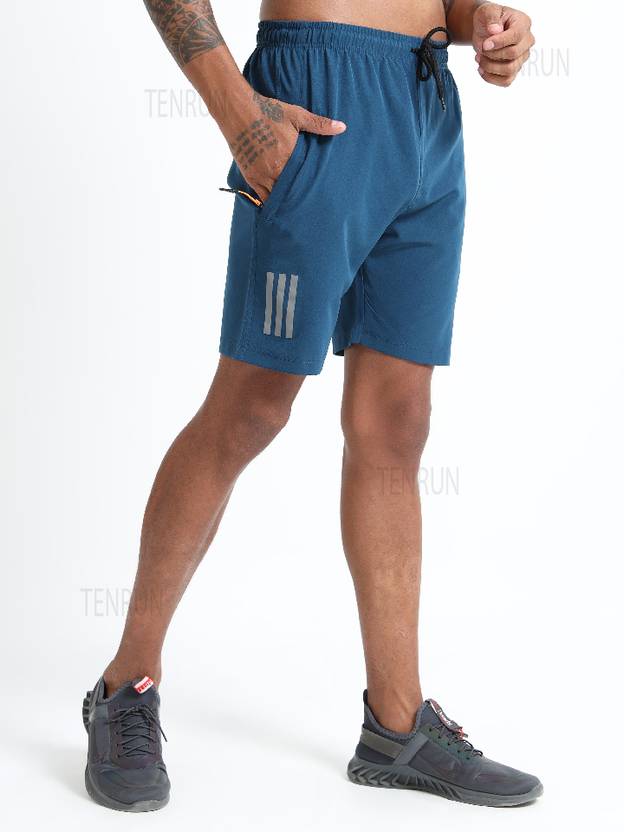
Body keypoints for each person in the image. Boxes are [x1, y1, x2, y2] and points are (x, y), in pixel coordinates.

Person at [82, 0, 542, 811]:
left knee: (396, 426)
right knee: (252, 409)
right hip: (318, 96)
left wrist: (486, 23)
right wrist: (239, 113)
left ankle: (397, 727)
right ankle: (127, 686)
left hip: (427, 107)